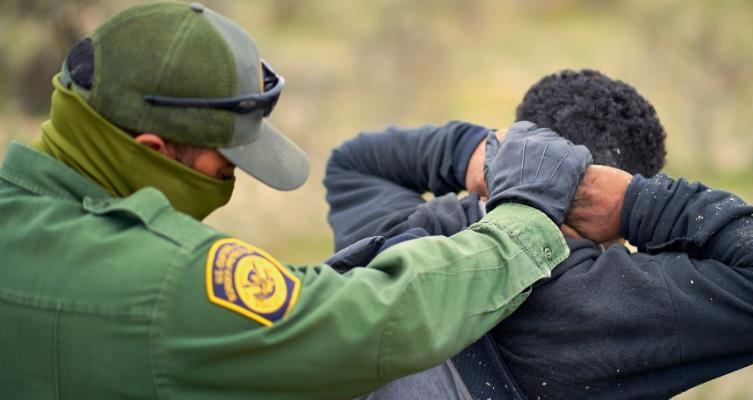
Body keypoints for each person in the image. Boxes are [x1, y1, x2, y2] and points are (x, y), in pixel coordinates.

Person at [0, 3, 596, 399]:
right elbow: (361, 323)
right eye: (226, 158)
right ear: (153, 148)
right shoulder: (158, 279)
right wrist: (523, 223)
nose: (235, 175)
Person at [325, 69, 753, 399]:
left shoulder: (404, 236)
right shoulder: (609, 303)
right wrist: (635, 204)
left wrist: (483, 154)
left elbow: (355, 161)